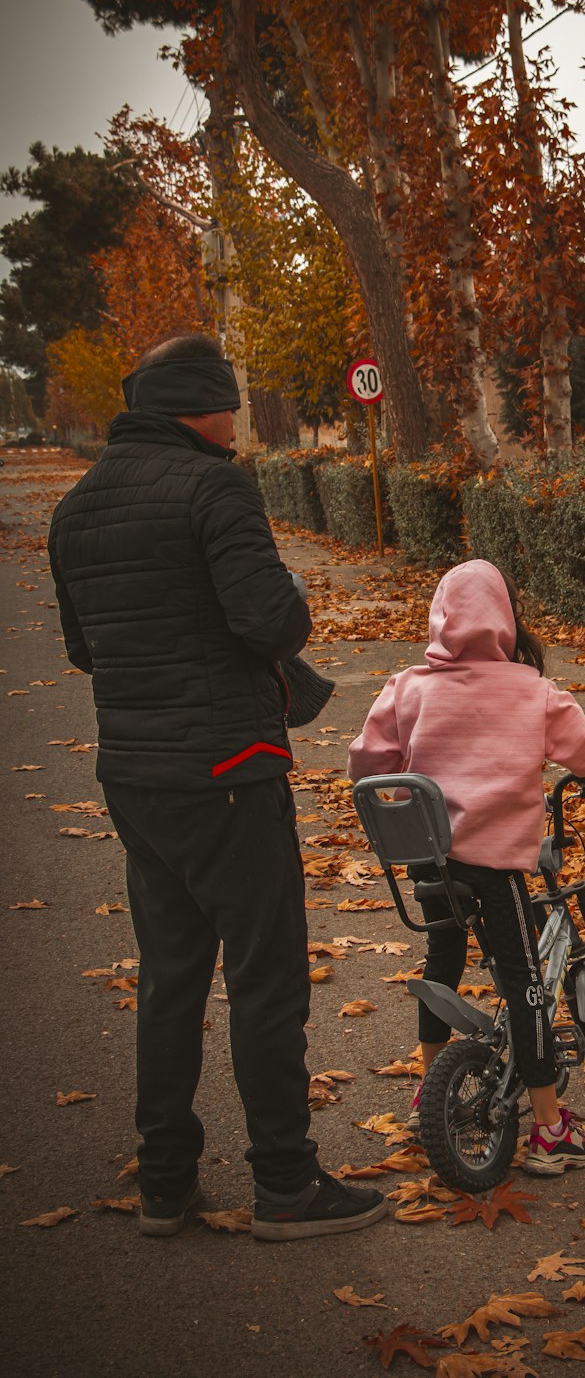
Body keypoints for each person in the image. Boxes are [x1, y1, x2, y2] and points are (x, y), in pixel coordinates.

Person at [48, 331, 386, 1241]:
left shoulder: (77, 507)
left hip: (135, 777)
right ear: (199, 408)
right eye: (229, 404)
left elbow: (85, 648)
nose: (237, 420)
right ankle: (284, 1183)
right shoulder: (216, 485)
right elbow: (270, 618)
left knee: (169, 981)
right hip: (229, 774)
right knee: (267, 981)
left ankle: (165, 1181)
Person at [348, 559, 585, 1174]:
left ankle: (429, 1089)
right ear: (504, 617)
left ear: (441, 615)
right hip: (496, 868)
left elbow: (367, 764)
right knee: (524, 984)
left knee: (443, 959)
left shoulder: (407, 688)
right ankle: (550, 1128)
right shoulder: (530, 690)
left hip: (430, 862)